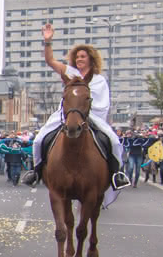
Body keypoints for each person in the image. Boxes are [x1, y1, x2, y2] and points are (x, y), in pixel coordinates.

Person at [27, 23, 127, 191]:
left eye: (83, 56)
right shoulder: (69, 72)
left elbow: (101, 104)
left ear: (91, 59)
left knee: (114, 142)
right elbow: (50, 60)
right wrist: (48, 41)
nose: (80, 59)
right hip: (66, 114)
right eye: (78, 56)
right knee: (38, 140)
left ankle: (117, 174)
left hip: (91, 116)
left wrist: (85, 113)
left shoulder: (99, 80)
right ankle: (36, 171)